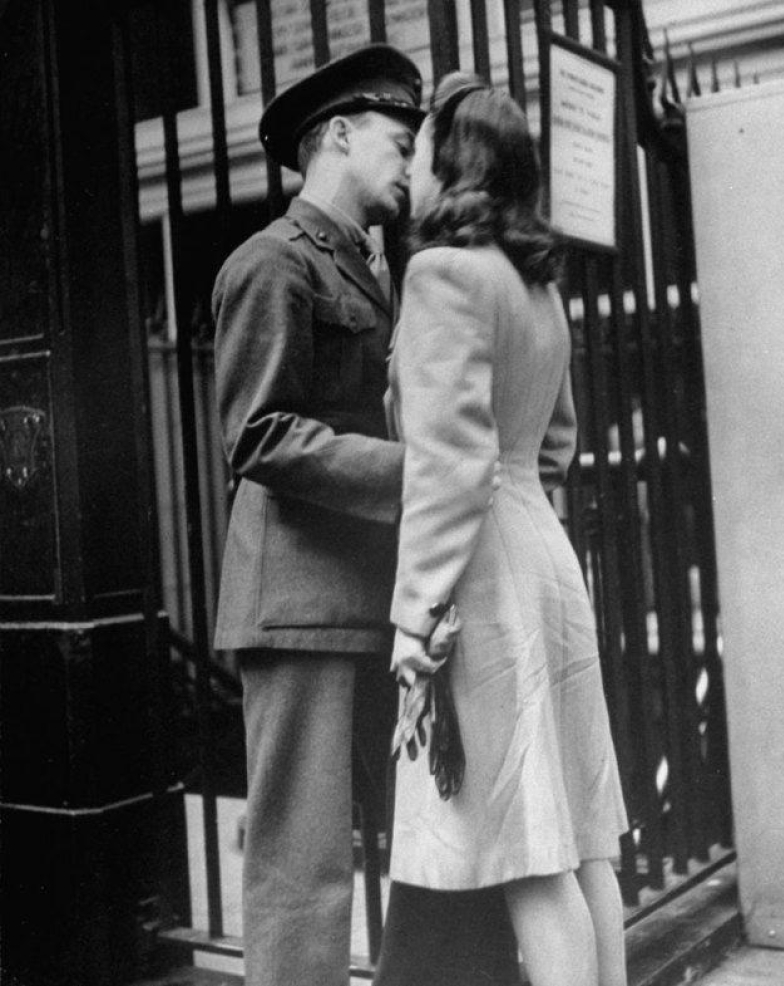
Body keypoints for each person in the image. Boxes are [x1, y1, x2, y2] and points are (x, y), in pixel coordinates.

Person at [212, 46, 518, 986]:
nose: (408, 162)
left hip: (370, 596)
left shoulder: (378, 269)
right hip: (296, 605)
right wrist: (418, 473)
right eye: (396, 141)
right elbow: (256, 434)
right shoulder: (270, 263)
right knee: (302, 868)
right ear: (336, 137)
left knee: (419, 846)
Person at [375, 72, 630, 986]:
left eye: (421, 147)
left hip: (483, 568)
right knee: (582, 843)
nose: (411, 165)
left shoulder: (441, 273)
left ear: (453, 162)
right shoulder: (534, 286)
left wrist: (414, 615)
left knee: (528, 854)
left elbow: (446, 466)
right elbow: (552, 445)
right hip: (542, 554)